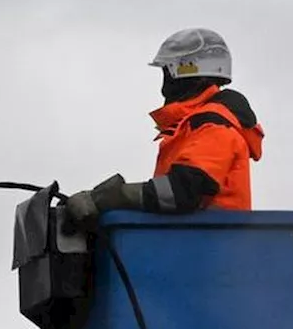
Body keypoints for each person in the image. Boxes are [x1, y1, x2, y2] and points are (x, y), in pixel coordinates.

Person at [63, 27, 265, 233]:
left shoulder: (214, 126)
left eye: (167, 74)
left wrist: (114, 197)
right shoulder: (192, 126)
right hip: (192, 243)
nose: (164, 86)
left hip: (210, 249)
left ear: (189, 73)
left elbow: (181, 192)